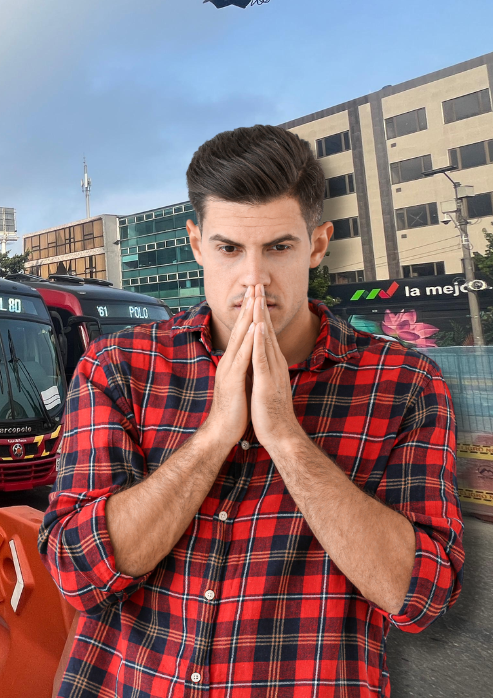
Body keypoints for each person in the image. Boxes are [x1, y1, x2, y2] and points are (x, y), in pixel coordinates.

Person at [40, 125, 464, 698]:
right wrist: (216, 436)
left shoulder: (405, 384)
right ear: (196, 244)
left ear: (316, 244)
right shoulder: (119, 367)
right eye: (230, 248)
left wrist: (286, 438)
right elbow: (74, 571)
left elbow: (419, 595)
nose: (255, 279)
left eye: (279, 247)